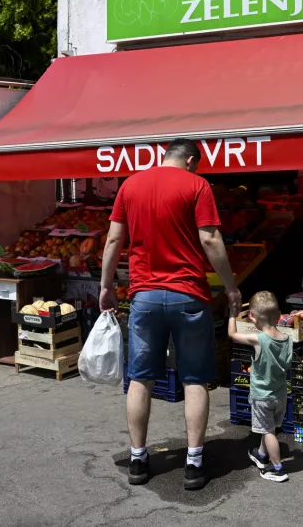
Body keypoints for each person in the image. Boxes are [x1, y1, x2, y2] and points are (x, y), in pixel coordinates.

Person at [99, 138, 241, 490]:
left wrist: (105, 286)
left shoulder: (130, 185)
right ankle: (193, 464)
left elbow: (114, 240)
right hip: (188, 295)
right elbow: (210, 239)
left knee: (140, 379)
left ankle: (137, 459)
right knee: (194, 379)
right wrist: (231, 287)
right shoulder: (197, 185)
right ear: (191, 160)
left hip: (144, 296)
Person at [227, 291, 292, 483]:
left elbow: (232, 335)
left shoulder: (258, 340)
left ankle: (277, 468)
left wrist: (232, 314)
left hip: (262, 396)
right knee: (269, 427)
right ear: (279, 315)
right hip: (280, 395)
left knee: (268, 432)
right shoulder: (287, 339)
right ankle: (261, 455)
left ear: (253, 317)